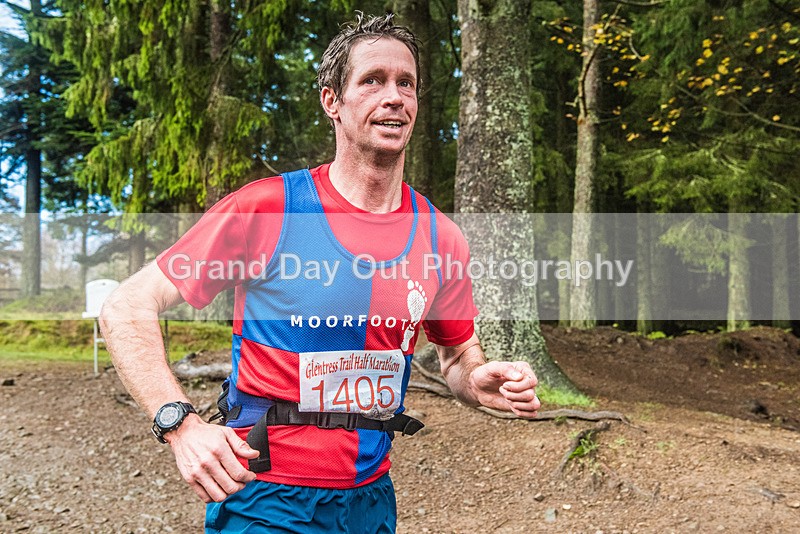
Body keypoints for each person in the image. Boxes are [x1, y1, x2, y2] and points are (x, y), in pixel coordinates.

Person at [99, 12, 541, 533]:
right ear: (332, 101)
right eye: (372, 81)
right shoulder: (270, 209)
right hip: (266, 496)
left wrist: (476, 377)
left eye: (407, 84)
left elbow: (456, 355)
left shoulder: (441, 236)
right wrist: (179, 424)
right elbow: (126, 306)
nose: (394, 96)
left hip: (371, 500)